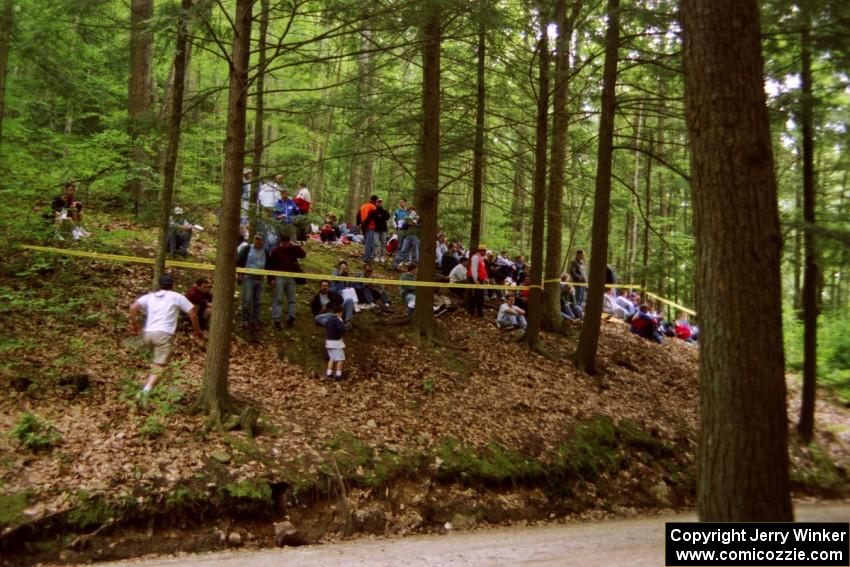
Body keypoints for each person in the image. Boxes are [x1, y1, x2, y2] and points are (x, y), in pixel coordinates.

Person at [129, 273, 203, 399]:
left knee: (160, 362)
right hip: (163, 334)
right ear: (172, 285)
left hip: (148, 334)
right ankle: (145, 392)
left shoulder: (150, 297)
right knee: (159, 365)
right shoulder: (176, 297)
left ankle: (170, 390)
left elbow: (133, 307)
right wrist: (197, 330)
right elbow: (193, 313)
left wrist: (134, 324)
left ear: (159, 285)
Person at [267, 234, 306, 329]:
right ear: (280, 242)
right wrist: (271, 279)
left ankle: (291, 317)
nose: (285, 245)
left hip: (291, 277)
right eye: (283, 243)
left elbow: (303, 255)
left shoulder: (293, 249)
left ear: (289, 242)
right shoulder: (275, 251)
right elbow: (270, 265)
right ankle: (276, 319)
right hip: (279, 277)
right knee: (278, 299)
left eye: (287, 243)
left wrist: (295, 246)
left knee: (291, 299)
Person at [237, 233, 267, 329]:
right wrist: (240, 273)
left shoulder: (265, 251)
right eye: (256, 239)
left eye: (259, 239)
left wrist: (271, 278)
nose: (257, 241)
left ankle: (255, 321)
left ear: (262, 241)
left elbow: (269, 264)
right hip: (249, 277)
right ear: (253, 240)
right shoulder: (247, 248)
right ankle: (245, 320)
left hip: (260, 278)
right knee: (247, 300)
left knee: (258, 301)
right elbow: (238, 260)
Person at [324, 303, 346, 380]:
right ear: (340, 312)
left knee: (332, 358)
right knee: (340, 358)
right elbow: (341, 328)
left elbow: (326, 326)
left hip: (328, 342)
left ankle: (329, 373)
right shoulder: (338, 319)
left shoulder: (329, 319)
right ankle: (338, 374)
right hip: (336, 343)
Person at [467, 244, 488, 317]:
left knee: (480, 297)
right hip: (475, 279)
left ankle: (480, 313)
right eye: (484, 251)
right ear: (481, 251)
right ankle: (473, 312)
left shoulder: (481, 258)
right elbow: (474, 269)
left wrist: (485, 278)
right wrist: (475, 279)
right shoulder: (475, 257)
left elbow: (482, 270)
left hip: (480, 279)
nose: (485, 252)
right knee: (476, 296)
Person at [359, 195, 379, 262]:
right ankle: (366, 258)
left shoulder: (363, 206)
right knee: (369, 243)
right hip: (370, 226)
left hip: (364, 226)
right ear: (375, 201)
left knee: (369, 242)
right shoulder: (373, 207)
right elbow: (373, 217)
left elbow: (358, 215)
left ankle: (370, 256)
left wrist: (360, 224)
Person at [373, 198, 391, 263]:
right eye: (378, 202)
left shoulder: (384, 210)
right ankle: (376, 256)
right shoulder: (374, 210)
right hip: (376, 229)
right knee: (376, 243)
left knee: (383, 243)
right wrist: (379, 216)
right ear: (376, 203)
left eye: (380, 202)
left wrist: (381, 216)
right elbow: (374, 217)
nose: (379, 203)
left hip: (383, 229)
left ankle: (382, 256)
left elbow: (387, 217)